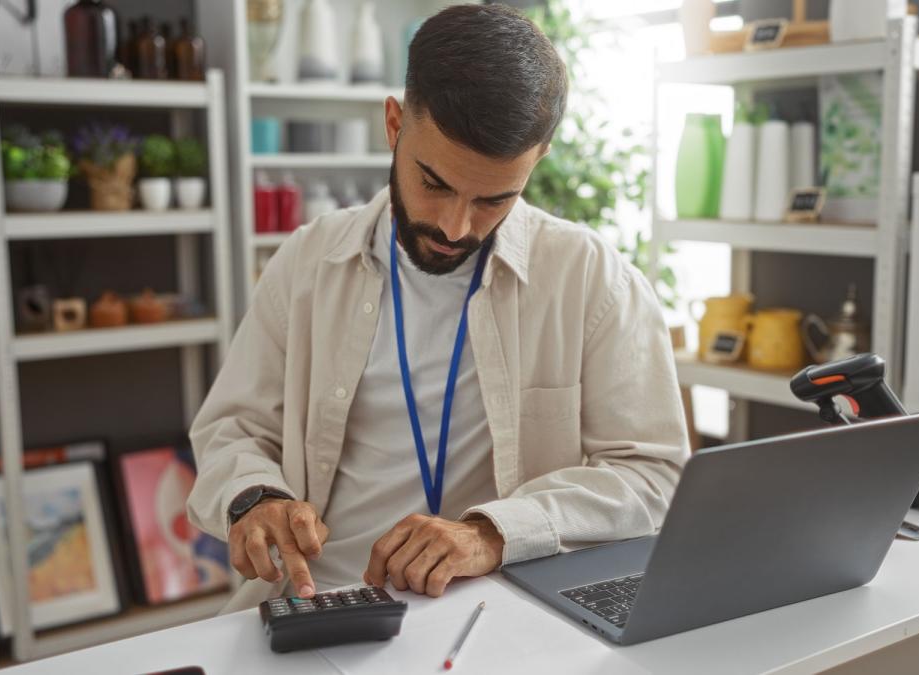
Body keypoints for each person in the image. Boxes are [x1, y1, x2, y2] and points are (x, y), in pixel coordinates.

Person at [187, 4, 687, 613]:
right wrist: (255, 496)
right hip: (317, 602)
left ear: (538, 160)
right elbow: (232, 429)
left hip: (496, 611)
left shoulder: (592, 279)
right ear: (394, 124)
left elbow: (655, 478)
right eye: (435, 184)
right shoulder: (308, 261)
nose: (455, 227)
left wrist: (492, 534)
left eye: (493, 200)